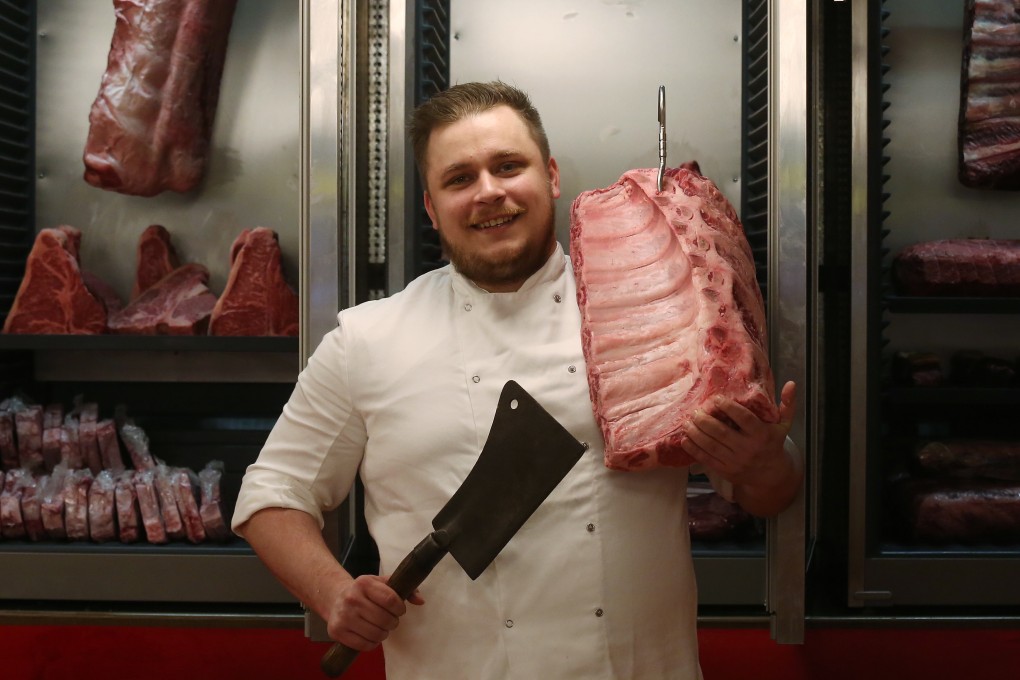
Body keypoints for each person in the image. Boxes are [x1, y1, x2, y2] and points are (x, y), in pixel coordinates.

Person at [232, 80, 802, 680]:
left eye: (509, 166)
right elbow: (272, 493)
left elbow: (771, 491)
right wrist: (332, 591)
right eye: (459, 179)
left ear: (551, 176)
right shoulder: (368, 339)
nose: (488, 193)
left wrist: (762, 465)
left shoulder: (651, 315)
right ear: (431, 206)